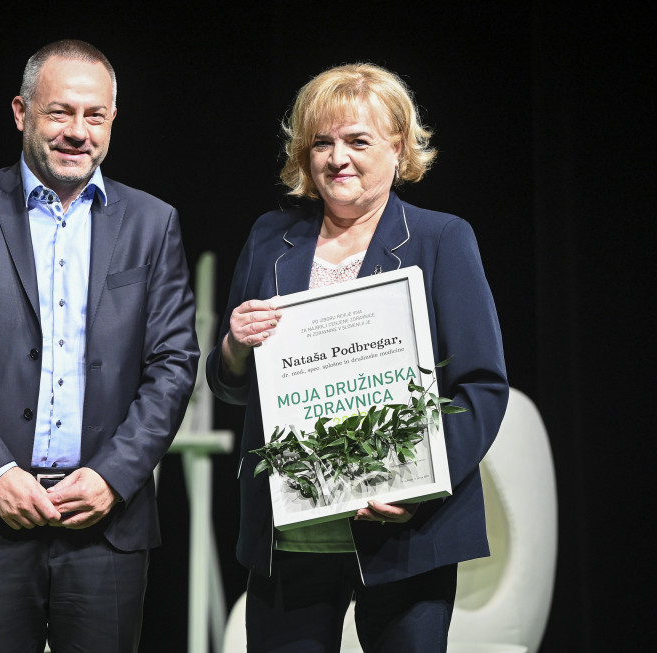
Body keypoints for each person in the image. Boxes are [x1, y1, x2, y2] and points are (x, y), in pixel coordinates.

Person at [0, 39, 199, 653]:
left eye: (95, 116)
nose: (78, 132)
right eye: (60, 112)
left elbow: (173, 363)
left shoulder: (153, 222)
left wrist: (113, 477)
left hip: (104, 521)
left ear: (113, 120)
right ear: (21, 113)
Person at [206, 63, 508, 652]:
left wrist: (416, 482)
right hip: (291, 540)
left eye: (357, 140)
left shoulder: (441, 239)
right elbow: (230, 385)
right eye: (322, 142)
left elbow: (481, 388)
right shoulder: (271, 238)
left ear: (397, 147)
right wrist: (234, 346)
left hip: (404, 532)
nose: (336, 157)